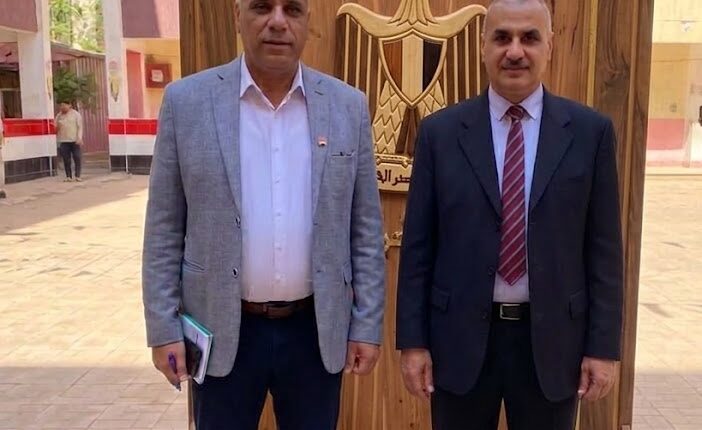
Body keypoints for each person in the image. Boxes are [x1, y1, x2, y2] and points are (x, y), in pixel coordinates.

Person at [141, 0, 386, 428]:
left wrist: (366, 324)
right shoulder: (187, 102)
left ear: (307, 21)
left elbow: (364, 228)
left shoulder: (347, 106)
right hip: (221, 329)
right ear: (237, 15)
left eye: (292, 9)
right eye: (261, 7)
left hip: (315, 332)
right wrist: (163, 328)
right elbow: (164, 227)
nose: (277, 21)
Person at [395, 0, 623, 429]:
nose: (514, 51)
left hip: (553, 345)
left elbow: (604, 252)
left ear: (550, 46)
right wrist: (413, 343)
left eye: (529, 38)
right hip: (458, 342)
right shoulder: (440, 134)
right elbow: (418, 249)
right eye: (502, 38)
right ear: (482, 47)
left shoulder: (590, 133)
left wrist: (602, 348)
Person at [55, 100, 83, 182]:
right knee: (66, 159)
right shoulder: (59, 116)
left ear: (69, 105)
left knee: (77, 157)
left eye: (64, 105)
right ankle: (68, 176)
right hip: (63, 140)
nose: (62, 107)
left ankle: (77, 176)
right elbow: (55, 128)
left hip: (74, 140)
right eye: (61, 105)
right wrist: (58, 127)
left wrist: (79, 137)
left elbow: (80, 127)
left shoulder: (76, 114)